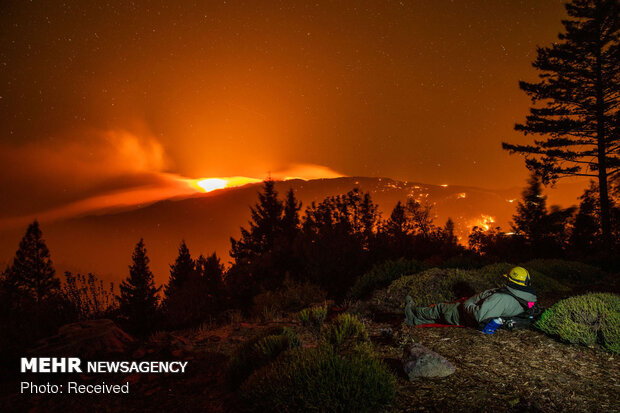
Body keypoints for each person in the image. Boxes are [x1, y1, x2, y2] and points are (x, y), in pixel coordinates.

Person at [404, 266, 537, 329]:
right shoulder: (529, 298)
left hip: (466, 316)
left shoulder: (501, 299)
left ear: (510, 281)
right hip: (479, 310)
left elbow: (480, 316)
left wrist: (467, 304)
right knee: (441, 314)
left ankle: (416, 312)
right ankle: (414, 319)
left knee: (440, 309)